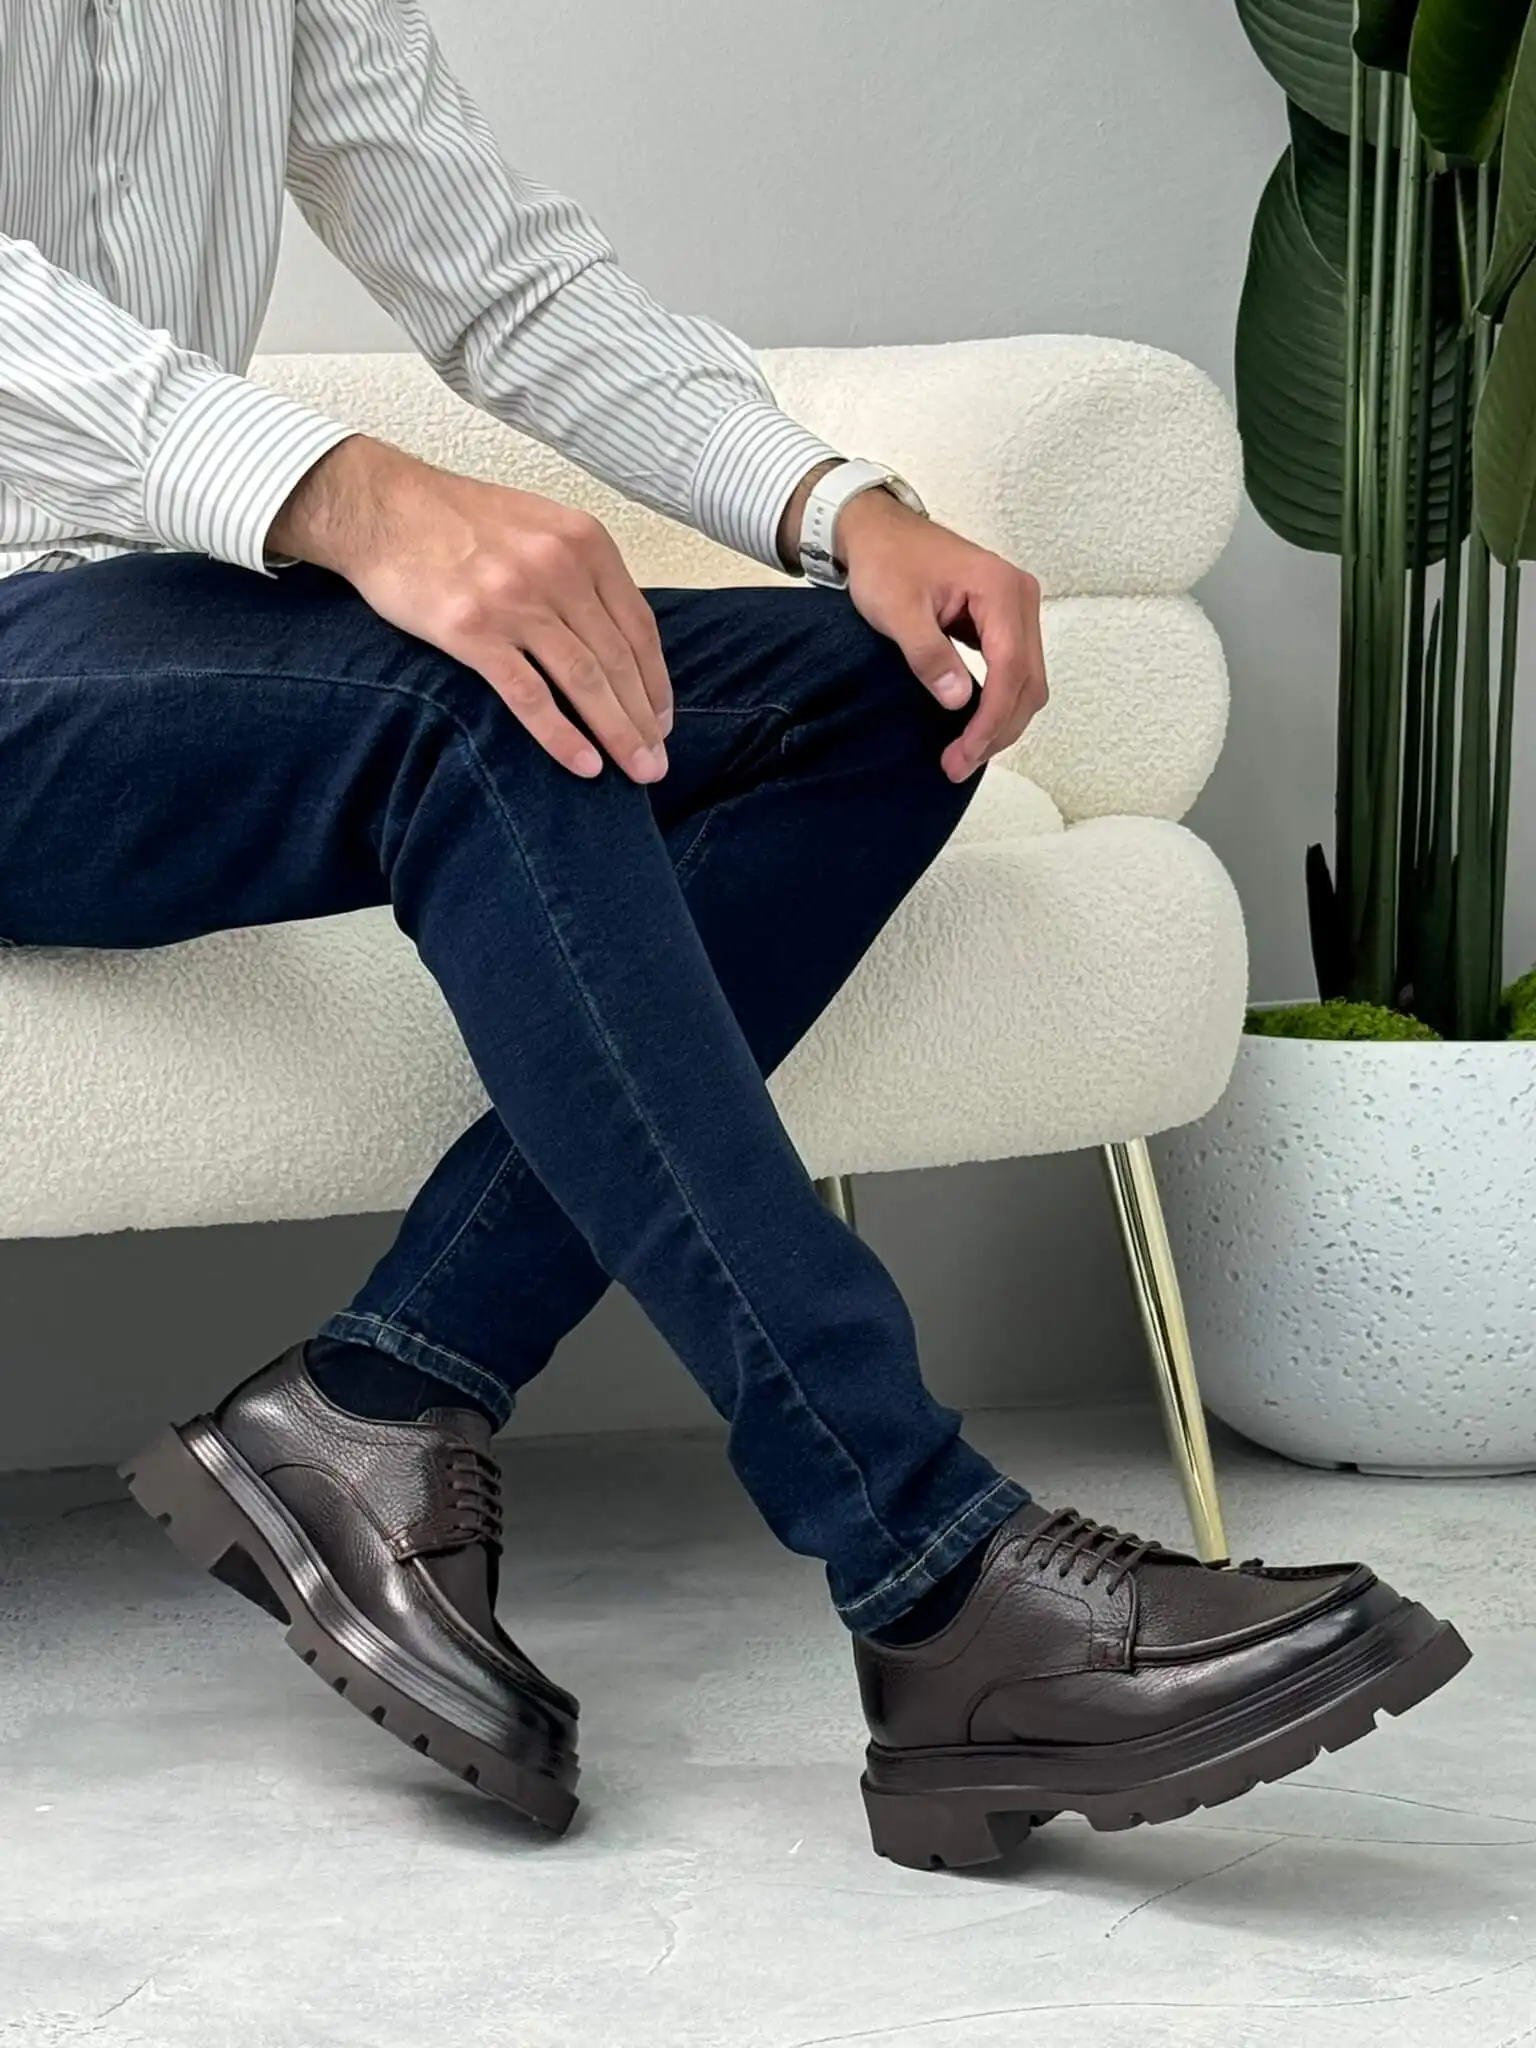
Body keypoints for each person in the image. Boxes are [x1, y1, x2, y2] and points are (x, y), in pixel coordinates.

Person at [0, 0, 1468, 1872]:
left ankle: (381, 1396)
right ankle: (932, 1567)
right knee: (487, 699)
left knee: (891, 688)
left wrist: (837, 506)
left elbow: (503, 275)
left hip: (155, 618)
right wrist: (349, 492)